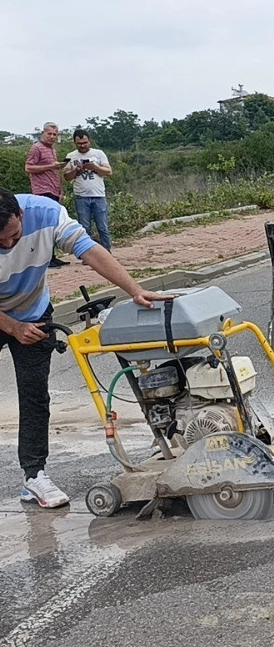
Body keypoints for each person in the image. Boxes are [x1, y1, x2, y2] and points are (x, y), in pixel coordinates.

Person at [0, 187, 173, 507]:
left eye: (13, 236)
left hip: (32, 312)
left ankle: (34, 476)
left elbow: (88, 249)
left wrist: (134, 290)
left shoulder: (46, 213)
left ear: (20, 214)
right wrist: (12, 327)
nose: (8, 245)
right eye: (0, 243)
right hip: (5, 318)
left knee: (34, 394)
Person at [24, 123, 70, 268]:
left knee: (53, 224)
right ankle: (45, 258)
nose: (52, 136)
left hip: (53, 190)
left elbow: (54, 172)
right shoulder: (36, 148)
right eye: (49, 133)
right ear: (43, 133)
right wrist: (51, 166)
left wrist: (60, 190)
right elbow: (28, 167)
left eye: (55, 134)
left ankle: (51, 256)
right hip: (42, 191)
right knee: (45, 225)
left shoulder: (52, 150)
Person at [64, 129, 113, 251]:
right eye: (79, 143)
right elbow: (66, 176)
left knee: (103, 227)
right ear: (74, 143)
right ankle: (89, 253)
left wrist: (95, 167)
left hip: (98, 195)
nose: (82, 145)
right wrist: (75, 170)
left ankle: (107, 252)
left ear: (89, 141)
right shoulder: (70, 156)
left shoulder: (99, 154)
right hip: (81, 197)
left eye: (85, 142)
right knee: (85, 228)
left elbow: (109, 171)